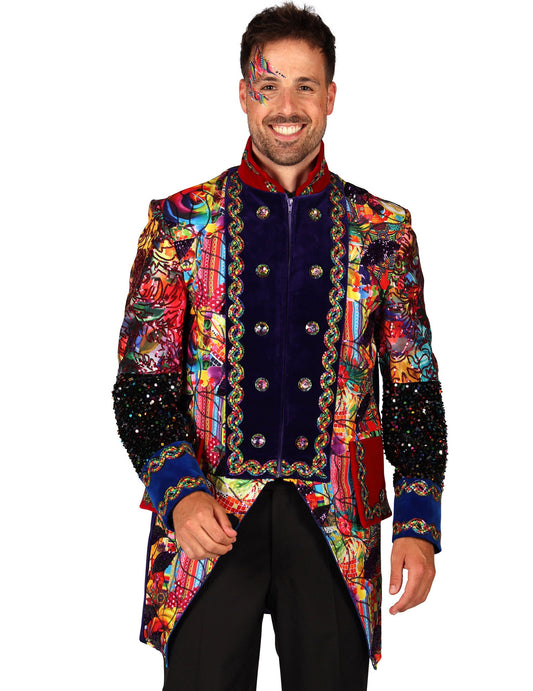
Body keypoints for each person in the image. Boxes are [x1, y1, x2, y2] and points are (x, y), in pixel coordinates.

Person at [112, 3, 447, 689]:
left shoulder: (384, 231)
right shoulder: (179, 224)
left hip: (338, 526)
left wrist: (418, 517)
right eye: (269, 86)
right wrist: (179, 492)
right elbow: (141, 381)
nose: (286, 106)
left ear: (330, 96)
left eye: (305, 86)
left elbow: (413, 384)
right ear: (244, 94)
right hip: (207, 521)